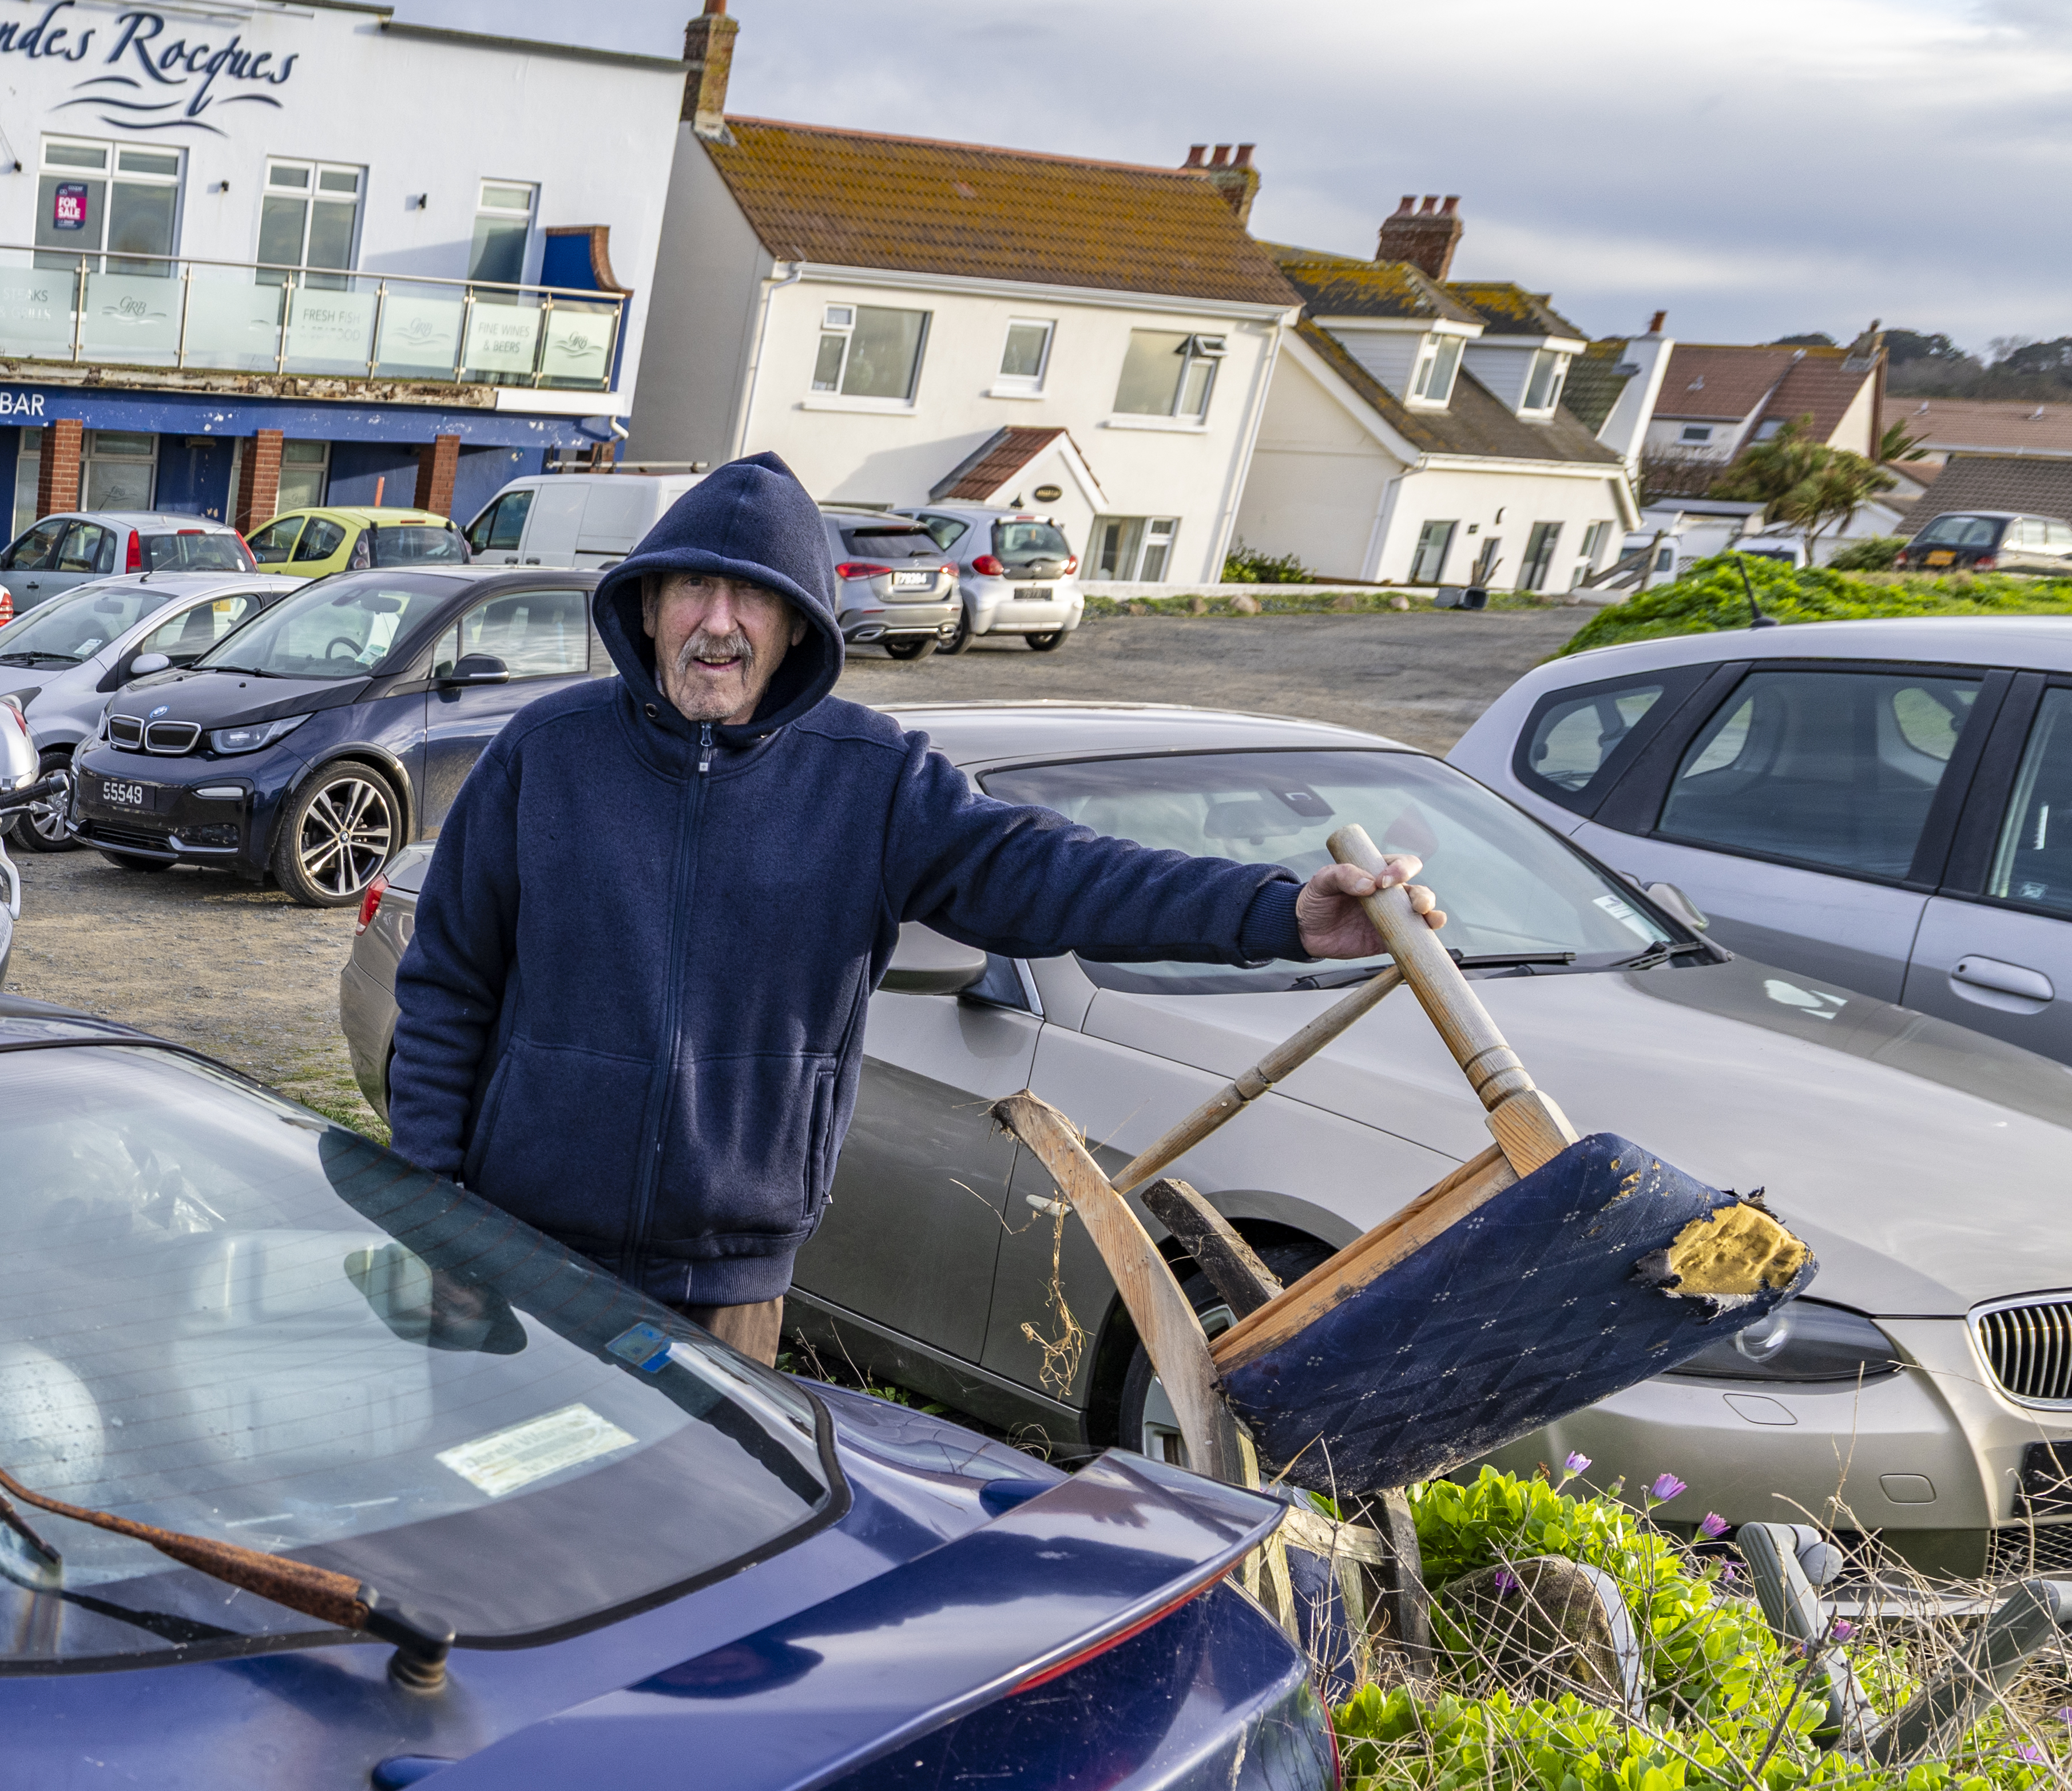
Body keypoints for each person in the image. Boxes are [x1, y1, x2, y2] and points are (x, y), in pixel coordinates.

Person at [383, 454, 1435, 1363]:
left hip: (725, 1284)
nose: (717, 622)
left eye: (750, 597)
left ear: (797, 627)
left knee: (690, 1560)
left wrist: (1284, 914)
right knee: (492, 1544)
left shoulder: (872, 782)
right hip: (514, 1244)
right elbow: (445, 990)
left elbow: (1061, 874)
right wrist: (436, 1215)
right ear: (647, 605)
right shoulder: (546, 755)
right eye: (692, 588)